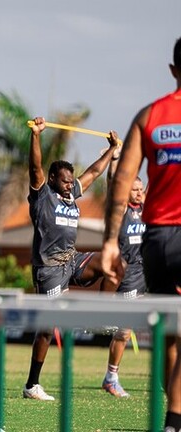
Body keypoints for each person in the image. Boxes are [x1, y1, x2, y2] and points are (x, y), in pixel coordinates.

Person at [101, 37, 181, 431]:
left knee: (169, 331)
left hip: (158, 240)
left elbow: (122, 181)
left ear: (172, 70)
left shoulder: (150, 115)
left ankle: (172, 420)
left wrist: (106, 242)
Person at [23, 116, 120, 401]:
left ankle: (102, 317)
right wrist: (36, 136)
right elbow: (34, 167)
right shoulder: (42, 196)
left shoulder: (71, 193)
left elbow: (93, 173)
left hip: (71, 260)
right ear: (53, 179)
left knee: (110, 262)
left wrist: (111, 150)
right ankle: (32, 385)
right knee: (46, 331)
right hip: (49, 269)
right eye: (65, 182)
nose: (70, 186)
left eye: (70, 182)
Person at [102, 156, 146, 398]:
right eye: (135, 190)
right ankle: (111, 378)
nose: (139, 194)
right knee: (124, 331)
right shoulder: (120, 211)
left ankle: (167, 378)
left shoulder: (146, 208)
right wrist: (115, 158)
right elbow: (112, 184)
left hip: (146, 274)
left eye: (141, 190)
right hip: (127, 275)